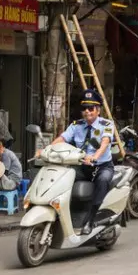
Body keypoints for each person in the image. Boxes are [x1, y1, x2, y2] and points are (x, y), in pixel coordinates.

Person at [52, 89, 115, 235]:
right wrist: (46, 150)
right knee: (62, 177)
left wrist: (95, 156)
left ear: (98, 110)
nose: (87, 111)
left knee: (103, 180)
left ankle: (90, 220)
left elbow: (105, 142)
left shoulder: (107, 124)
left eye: (91, 108)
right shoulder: (76, 125)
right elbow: (63, 138)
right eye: (84, 108)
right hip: (82, 166)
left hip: (102, 166)